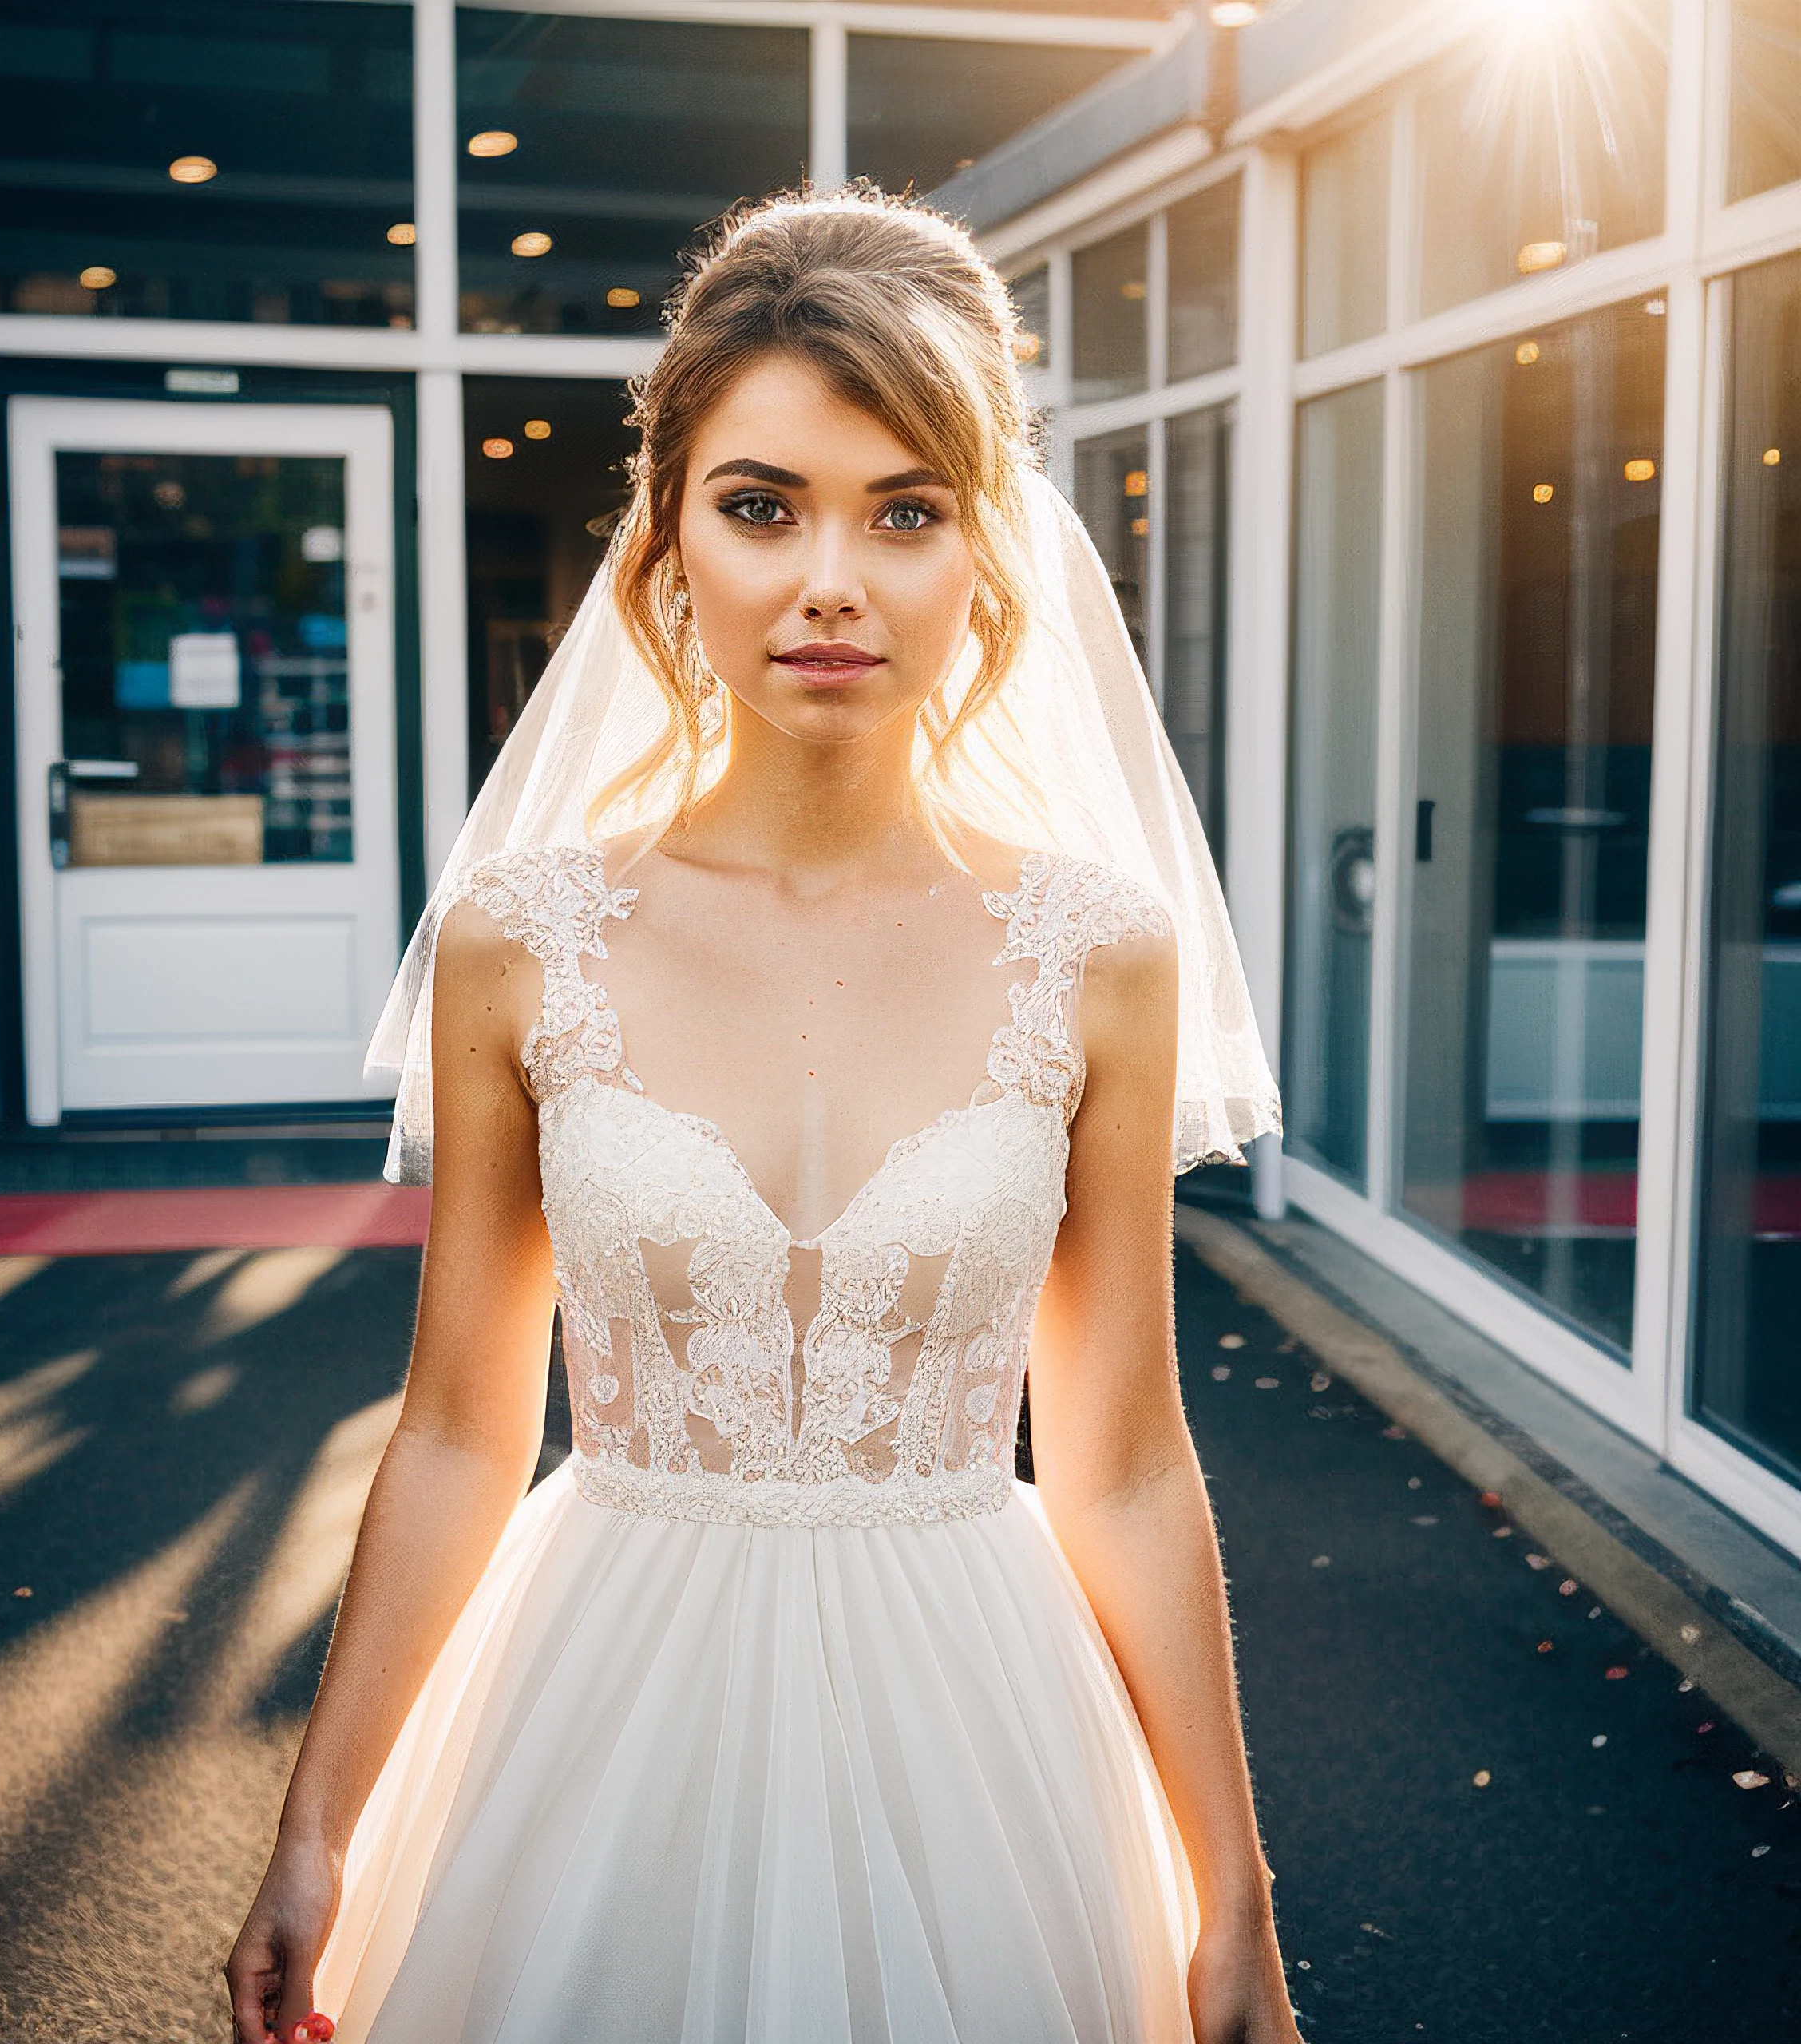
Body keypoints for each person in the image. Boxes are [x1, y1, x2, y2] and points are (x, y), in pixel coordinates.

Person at [227, 188, 1293, 2044]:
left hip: (979, 1721)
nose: (829, 579)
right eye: (759, 502)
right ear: (666, 543)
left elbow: (1118, 1457)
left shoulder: (1097, 953)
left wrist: (1233, 1895)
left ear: (985, 554)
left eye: (903, 510)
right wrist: (315, 1828)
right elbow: (461, 1433)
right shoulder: (520, 940)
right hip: (601, 1698)